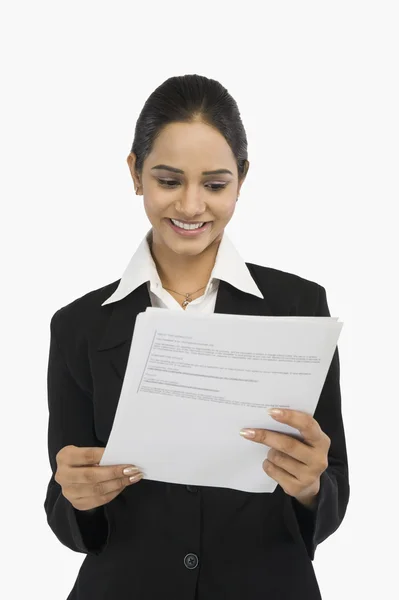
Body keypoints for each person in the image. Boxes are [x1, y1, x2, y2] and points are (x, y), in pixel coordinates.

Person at [44, 74, 350, 600]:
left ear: (241, 179)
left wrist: (310, 487)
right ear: (136, 174)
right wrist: (75, 496)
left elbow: (333, 483)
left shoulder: (300, 306)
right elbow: (64, 507)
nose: (190, 207)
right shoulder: (78, 325)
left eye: (214, 184)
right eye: (168, 180)